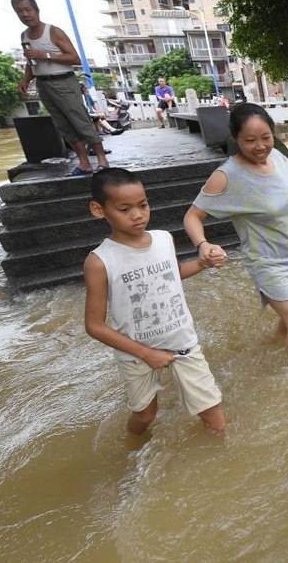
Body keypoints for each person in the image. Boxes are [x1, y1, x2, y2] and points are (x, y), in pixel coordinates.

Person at [184, 103, 288, 367]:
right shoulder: (227, 176)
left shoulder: (275, 159)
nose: (260, 146)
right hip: (266, 262)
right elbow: (192, 216)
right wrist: (202, 244)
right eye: (250, 140)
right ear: (235, 139)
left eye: (266, 138)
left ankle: (264, 351)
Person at [84, 168, 226, 435]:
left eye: (143, 205)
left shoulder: (164, 239)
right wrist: (147, 353)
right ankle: (132, 453)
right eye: (124, 209)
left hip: (182, 342)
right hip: (135, 352)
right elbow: (94, 325)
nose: (138, 215)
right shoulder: (99, 261)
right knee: (145, 415)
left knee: (214, 415)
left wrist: (203, 262)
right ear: (98, 209)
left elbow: (172, 275)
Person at [12, 0, 110, 176]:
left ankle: (102, 160)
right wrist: (26, 80)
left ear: (36, 10)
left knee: (80, 120)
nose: (25, 14)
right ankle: (84, 163)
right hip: (44, 84)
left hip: (64, 81)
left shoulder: (53, 32)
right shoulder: (24, 36)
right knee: (63, 125)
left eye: (28, 10)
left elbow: (75, 58)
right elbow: (31, 62)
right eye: (20, 11)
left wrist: (47, 55)